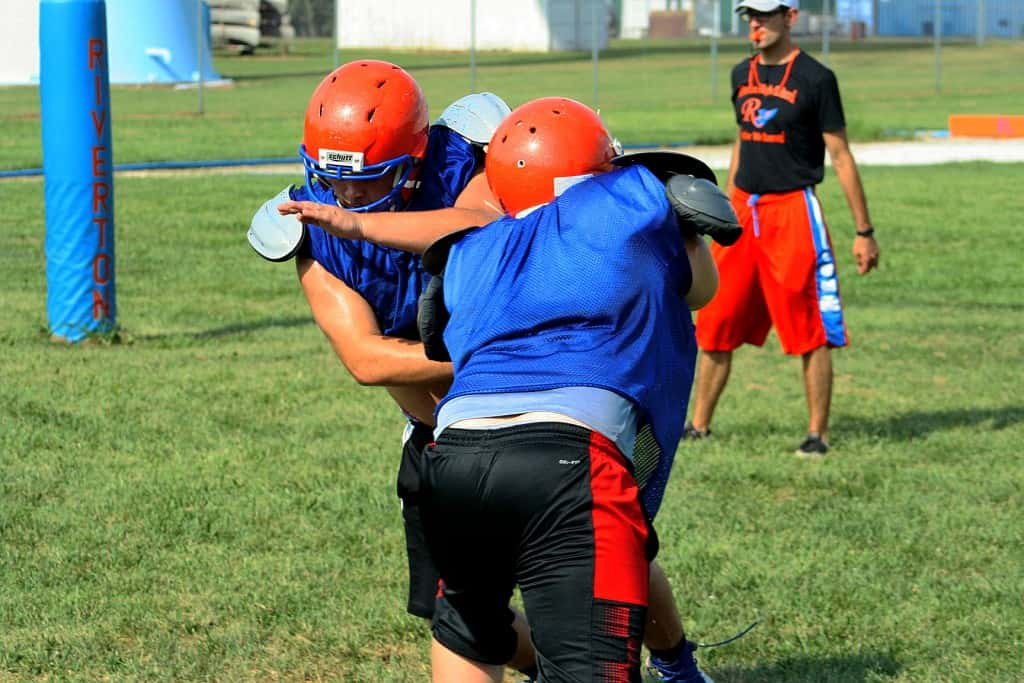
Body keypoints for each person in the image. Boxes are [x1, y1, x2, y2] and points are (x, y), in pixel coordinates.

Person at [280, 102, 741, 682]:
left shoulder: (473, 250)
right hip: (574, 457)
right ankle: (676, 668)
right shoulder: (628, 199)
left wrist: (354, 225)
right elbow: (700, 289)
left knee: (468, 632)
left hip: (453, 454)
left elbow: (438, 326)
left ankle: (673, 665)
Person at [246, 60, 538, 676]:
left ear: (417, 154)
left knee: (602, 572)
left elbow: (484, 227)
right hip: (440, 435)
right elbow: (365, 358)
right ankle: (556, 666)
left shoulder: (467, 163)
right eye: (333, 178)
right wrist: (470, 362)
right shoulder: (307, 223)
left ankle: (676, 659)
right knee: (459, 616)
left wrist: (364, 225)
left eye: (370, 179)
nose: (347, 195)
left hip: (534, 412)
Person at [686, 0, 880, 456]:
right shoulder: (740, 74)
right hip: (744, 211)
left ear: (790, 17)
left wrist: (863, 230)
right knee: (715, 319)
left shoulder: (816, 79)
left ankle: (817, 435)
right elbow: (742, 139)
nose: (755, 23)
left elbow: (842, 155)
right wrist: (726, 204)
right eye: (749, 16)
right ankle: (699, 426)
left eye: (765, 14)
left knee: (808, 325)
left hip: (793, 210)